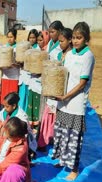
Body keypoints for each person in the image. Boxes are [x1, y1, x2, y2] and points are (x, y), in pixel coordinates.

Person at [51, 22, 95, 181]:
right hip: (63, 102)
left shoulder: (88, 56)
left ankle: (74, 169)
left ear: (86, 38)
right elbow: (63, 75)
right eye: (74, 38)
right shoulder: (69, 54)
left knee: (74, 137)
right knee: (62, 133)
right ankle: (62, 160)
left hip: (75, 103)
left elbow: (82, 83)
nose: (76, 41)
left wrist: (66, 96)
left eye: (79, 38)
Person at [38, 21, 65, 149]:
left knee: (53, 112)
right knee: (47, 111)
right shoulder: (50, 44)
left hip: (56, 82)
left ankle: (51, 138)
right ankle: (45, 138)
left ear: (60, 31)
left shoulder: (62, 47)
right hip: (49, 80)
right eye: (49, 32)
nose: (51, 34)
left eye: (53, 32)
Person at [0, 92, 37, 159]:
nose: (4, 108)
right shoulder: (5, 111)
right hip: (7, 134)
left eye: (7, 106)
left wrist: (5, 128)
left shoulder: (21, 116)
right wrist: (1, 124)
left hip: (18, 138)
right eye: (4, 106)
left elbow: (22, 134)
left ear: (14, 106)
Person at [0, 28, 20, 103]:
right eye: (8, 37)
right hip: (5, 77)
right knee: (5, 99)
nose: (9, 39)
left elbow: (20, 63)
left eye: (11, 37)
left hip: (14, 77)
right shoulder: (4, 47)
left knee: (12, 100)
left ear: (15, 37)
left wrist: (14, 64)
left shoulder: (18, 47)